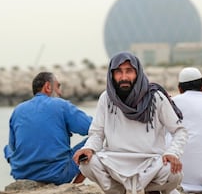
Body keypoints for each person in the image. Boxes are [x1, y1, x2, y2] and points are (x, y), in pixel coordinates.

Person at [73, 51, 188, 194]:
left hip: (150, 164)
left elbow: (179, 130)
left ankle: (127, 190)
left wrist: (173, 153)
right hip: (115, 162)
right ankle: (131, 190)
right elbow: (97, 133)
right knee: (86, 165)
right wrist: (89, 148)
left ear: (138, 73)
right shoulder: (106, 98)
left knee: (174, 173)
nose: (124, 77)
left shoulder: (156, 98)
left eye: (129, 71)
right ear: (112, 74)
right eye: (119, 72)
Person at [3, 72, 92, 185]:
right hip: (57, 175)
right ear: (48, 87)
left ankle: (25, 169)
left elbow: (13, 146)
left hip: (21, 174)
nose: (60, 92)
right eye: (58, 86)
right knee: (97, 138)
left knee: (7, 148)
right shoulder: (61, 105)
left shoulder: (18, 109)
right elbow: (93, 127)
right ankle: (75, 185)